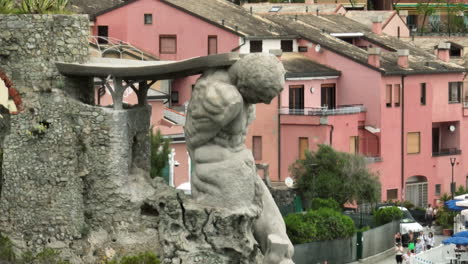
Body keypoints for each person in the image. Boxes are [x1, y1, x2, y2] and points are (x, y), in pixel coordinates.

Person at [185, 54, 293, 263]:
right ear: (247, 86)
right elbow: (195, 143)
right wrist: (232, 166)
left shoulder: (237, 89)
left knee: (276, 225)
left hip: (240, 164)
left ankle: (280, 256)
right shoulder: (223, 98)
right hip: (220, 171)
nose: (268, 102)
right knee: (245, 233)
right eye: (262, 97)